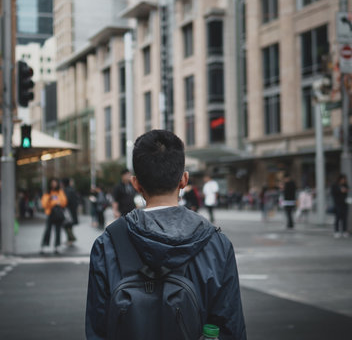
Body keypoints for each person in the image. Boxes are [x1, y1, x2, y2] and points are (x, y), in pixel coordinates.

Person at [86, 130, 246, 340]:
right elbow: (230, 327)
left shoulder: (108, 244)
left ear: (135, 184)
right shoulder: (216, 243)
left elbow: (98, 329)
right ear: (184, 180)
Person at [40, 178, 68, 254]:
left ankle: (57, 246)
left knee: (58, 231)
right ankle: (44, 245)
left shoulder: (60, 192)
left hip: (58, 214)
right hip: (50, 214)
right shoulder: (47, 193)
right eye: (52, 183)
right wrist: (54, 202)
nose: (54, 184)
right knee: (48, 230)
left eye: (55, 183)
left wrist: (55, 202)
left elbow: (64, 202)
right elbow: (44, 204)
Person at [331, 174, 349, 238]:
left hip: (344, 203)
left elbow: (347, 191)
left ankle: (344, 231)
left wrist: (345, 190)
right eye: (343, 179)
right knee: (337, 218)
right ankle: (336, 231)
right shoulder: (335, 185)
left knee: (344, 218)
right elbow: (333, 193)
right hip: (337, 204)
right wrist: (340, 191)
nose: (344, 180)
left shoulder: (345, 185)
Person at [62, 178, 79, 244]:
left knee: (67, 224)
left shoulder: (66, 190)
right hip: (72, 210)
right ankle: (70, 239)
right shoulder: (72, 189)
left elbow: (66, 200)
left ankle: (71, 238)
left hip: (67, 210)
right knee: (69, 225)